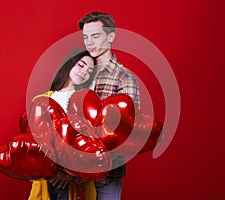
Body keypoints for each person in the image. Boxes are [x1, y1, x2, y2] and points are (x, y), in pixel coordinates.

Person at [78, 12, 141, 200]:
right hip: (72, 173)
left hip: (106, 176)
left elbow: (126, 133)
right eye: (85, 37)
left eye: (95, 36)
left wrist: (90, 168)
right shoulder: (80, 72)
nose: (89, 42)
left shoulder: (124, 78)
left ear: (110, 36)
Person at [28, 49, 97, 200]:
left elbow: (93, 143)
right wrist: (52, 172)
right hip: (48, 179)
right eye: (81, 65)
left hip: (75, 181)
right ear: (70, 63)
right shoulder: (41, 100)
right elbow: (36, 142)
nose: (84, 72)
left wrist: (74, 175)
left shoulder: (87, 104)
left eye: (89, 71)